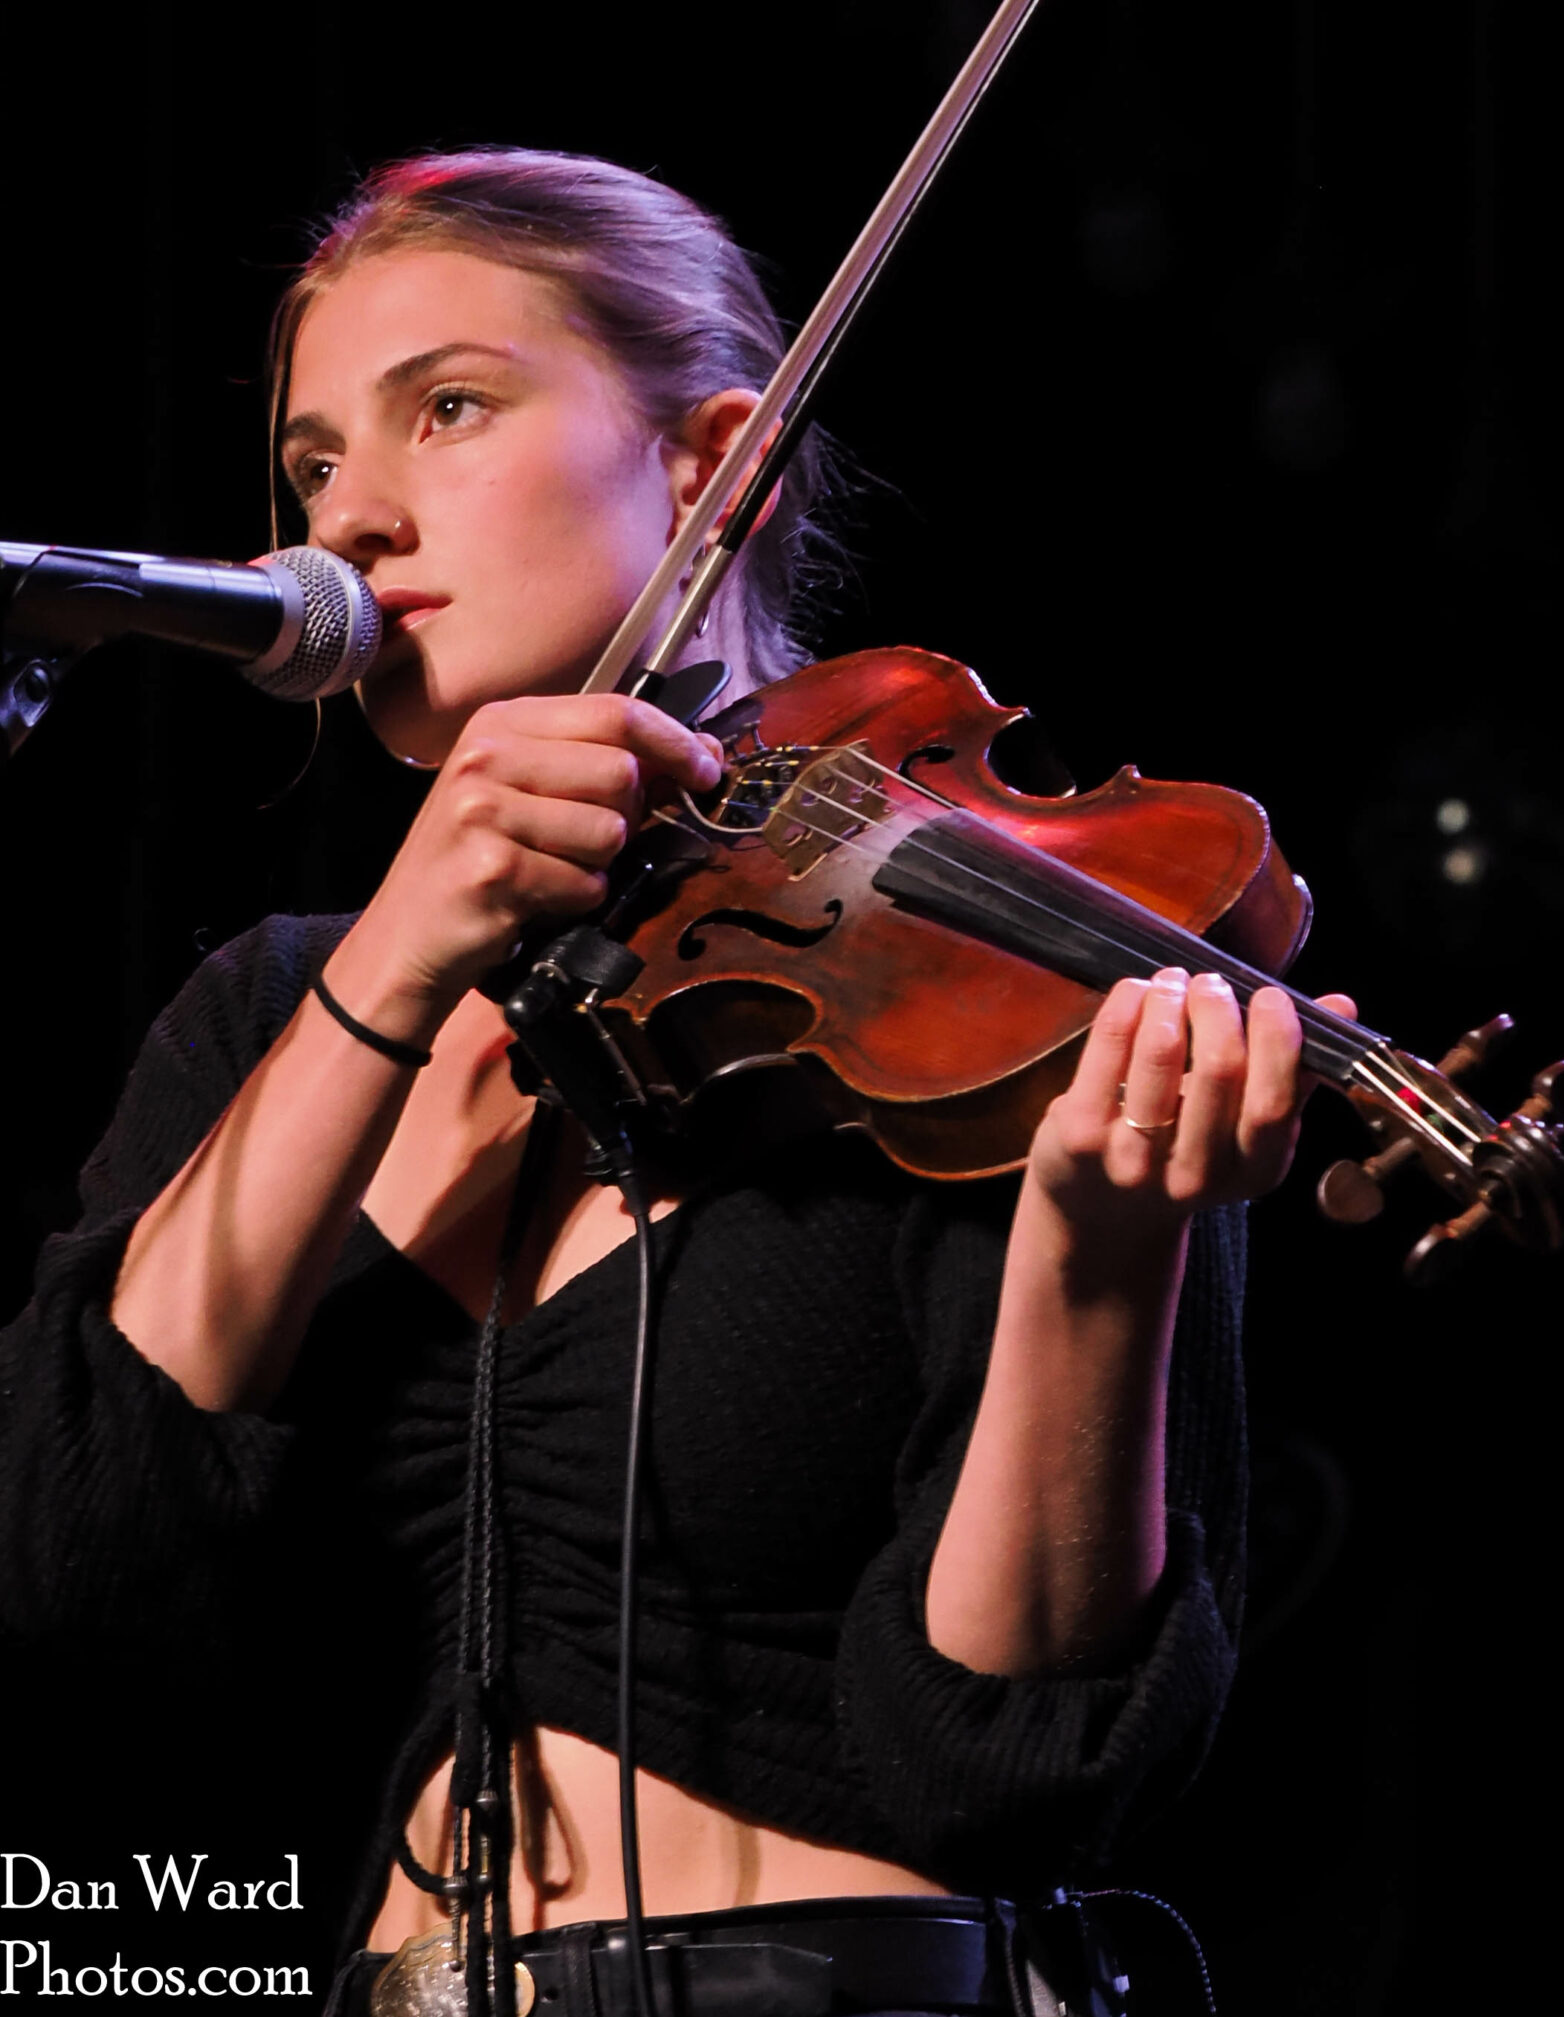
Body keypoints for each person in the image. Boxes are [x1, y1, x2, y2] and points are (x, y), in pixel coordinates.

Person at [0, 149, 1349, 2013]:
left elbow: (1014, 1772)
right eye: (311, 465)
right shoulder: (273, 1015)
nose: (351, 520)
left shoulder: (980, 983)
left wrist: (1101, 1268)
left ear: (720, 463)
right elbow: (71, 1552)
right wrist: (400, 959)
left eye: (448, 408)